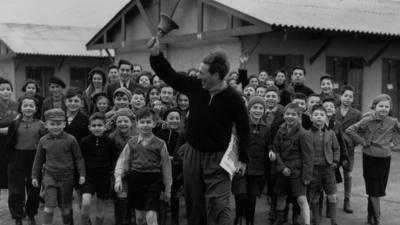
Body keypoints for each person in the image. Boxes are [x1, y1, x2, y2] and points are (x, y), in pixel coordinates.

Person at [149, 37, 250, 225]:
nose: (199, 76)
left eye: (203, 73)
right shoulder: (195, 86)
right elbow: (170, 76)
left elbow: (244, 129)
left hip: (219, 159)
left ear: (217, 76)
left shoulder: (233, 98)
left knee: (220, 205)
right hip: (193, 155)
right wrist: (156, 55)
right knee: (195, 205)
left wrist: (243, 159)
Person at [346, 94, 400, 225]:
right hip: (370, 158)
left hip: (385, 159)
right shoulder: (367, 119)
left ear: (390, 108)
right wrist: (363, 142)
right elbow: (350, 130)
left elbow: (398, 131)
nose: (383, 109)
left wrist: (395, 141)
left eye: (386, 106)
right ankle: (377, 218)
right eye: (381, 106)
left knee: (377, 190)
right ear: (375, 107)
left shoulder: (393, 121)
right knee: (373, 189)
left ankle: (371, 217)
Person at [114, 107, 172, 225]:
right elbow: (122, 161)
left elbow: (166, 167)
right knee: (139, 218)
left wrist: (168, 189)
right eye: (142, 122)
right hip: (136, 181)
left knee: (151, 216)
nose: (145, 125)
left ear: (154, 123)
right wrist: (118, 178)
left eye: (148, 122)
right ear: (137, 123)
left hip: (154, 181)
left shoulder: (160, 144)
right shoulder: (132, 142)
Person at [31, 108, 86, 225]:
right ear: (46, 125)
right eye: (52, 124)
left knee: (65, 207)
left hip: (67, 178)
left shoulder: (71, 139)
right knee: (49, 206)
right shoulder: (43, 140)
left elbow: (78, 158)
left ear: (64, 124)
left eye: (59, 124)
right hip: (50, 176)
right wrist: (34, 176)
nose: (55, 127)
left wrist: (82, 174)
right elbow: (38, 159)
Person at [2, 96, 46, 225]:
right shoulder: (14, 124)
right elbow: (9, 142)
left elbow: (44, 143)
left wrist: (43, 161)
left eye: (31, 106)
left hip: (35, 159)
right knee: (16, 190)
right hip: (17, 158)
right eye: (25, 105)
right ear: (20, 108)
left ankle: (31, 213)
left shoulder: (41, 124)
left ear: (36, 109)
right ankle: (18, 216)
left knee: (33, 189)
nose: (28, 108)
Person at [269, 103, 312, 225]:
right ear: (284, 116)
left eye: (293, 114)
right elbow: (275, 149)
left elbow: (308, 157)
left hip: (298, 172)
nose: (290, 117)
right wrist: (282, 167)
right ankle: (279, 219)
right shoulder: (280, 131)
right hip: (283, 170)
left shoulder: (303, 134)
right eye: (287, 114)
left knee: (301, 199)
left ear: (299, 117)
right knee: (281, 196)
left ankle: (307, 222)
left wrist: (307, 176)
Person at [232, 96, 270, 225]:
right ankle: (239, 216)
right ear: (249, 109)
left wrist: (271, 151)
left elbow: (269, 145)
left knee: (252, 196)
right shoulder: (241, 124)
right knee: (240, 193)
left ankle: (250, 220)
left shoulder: (266, 128)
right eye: (255, 107)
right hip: (241, 164)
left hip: (258, 167)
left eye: (261, 108)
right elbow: (234, 143)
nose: (258, 110)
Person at [80, 112, 117, 225]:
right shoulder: (84, 141)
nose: (97, 128)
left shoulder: (110, 142)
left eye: (100, 125)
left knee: (101, 208)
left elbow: (113, 158)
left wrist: (113, 174)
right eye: (94, 126)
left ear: (105, 126)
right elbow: (80, 159)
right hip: (88, 177)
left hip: (104, 178)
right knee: (86, 203)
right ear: (89, 127)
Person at [307, 105, 340, 225]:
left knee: (332, 195)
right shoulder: (307, 134)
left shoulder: (330, 133)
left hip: (328, 169)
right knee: (314, 197)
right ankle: (316, 220)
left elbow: (337, 149)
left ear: (326, 118)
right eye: (316, 115)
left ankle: (334, 221)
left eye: (321, 115)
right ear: (311, 118)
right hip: (313, 170)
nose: (319, 117)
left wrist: (335, 162)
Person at [335, 85, 361, 213]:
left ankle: (347, 200)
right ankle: (331, 200)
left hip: (349, 150)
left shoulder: (357, 114)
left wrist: (351, 142)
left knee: (348, 174)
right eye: (345, 95)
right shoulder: (333, 111)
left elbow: (360, 133)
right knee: (332, 174)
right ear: (340, 97)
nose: (347, 98)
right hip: (334, 150)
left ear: (353, 99)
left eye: (350, 96)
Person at [155, 108, 184, 225]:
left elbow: (184, 152)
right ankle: (161, 220)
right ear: (165, 120)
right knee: (162, 194)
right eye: (171, 118)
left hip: (176, 170)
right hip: (161, 169)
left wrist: (176, 159)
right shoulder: (160, 134)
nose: (174, 121)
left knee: (174, 194)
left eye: (177, 118)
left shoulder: (182, 135)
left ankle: (175, 220)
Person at [109, 108, 137, 225]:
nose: (122, 124)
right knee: (121, 198)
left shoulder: (138, 135)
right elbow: (109, 156)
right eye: (119, 121)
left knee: (134, 198)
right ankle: (120, 221)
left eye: (125, 121)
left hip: (135, 171)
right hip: (119, 172)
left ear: (132, 122)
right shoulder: (112, 137)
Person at [0, 77, 19, 193]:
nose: (6, 91)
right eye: (2, 89)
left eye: (8, 89)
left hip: (13, 140)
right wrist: (2, 130)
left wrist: (10, 130)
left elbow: (20, 122)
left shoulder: (16, 105)